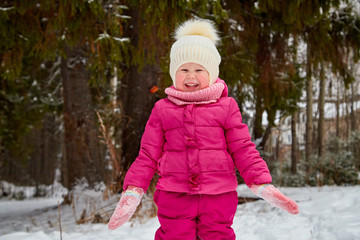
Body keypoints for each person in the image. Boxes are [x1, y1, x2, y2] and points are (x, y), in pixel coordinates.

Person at [108, 18, 299, 239]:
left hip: (218, 196)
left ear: (211, 72)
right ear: (173, 73)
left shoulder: (227, 107)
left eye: (199, 69)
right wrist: (133, 190)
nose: (191, 76)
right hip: (174, 195)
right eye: (184, 69)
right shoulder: (162, 109)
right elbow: (148, 154)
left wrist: (261, 182)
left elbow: (243, 148)